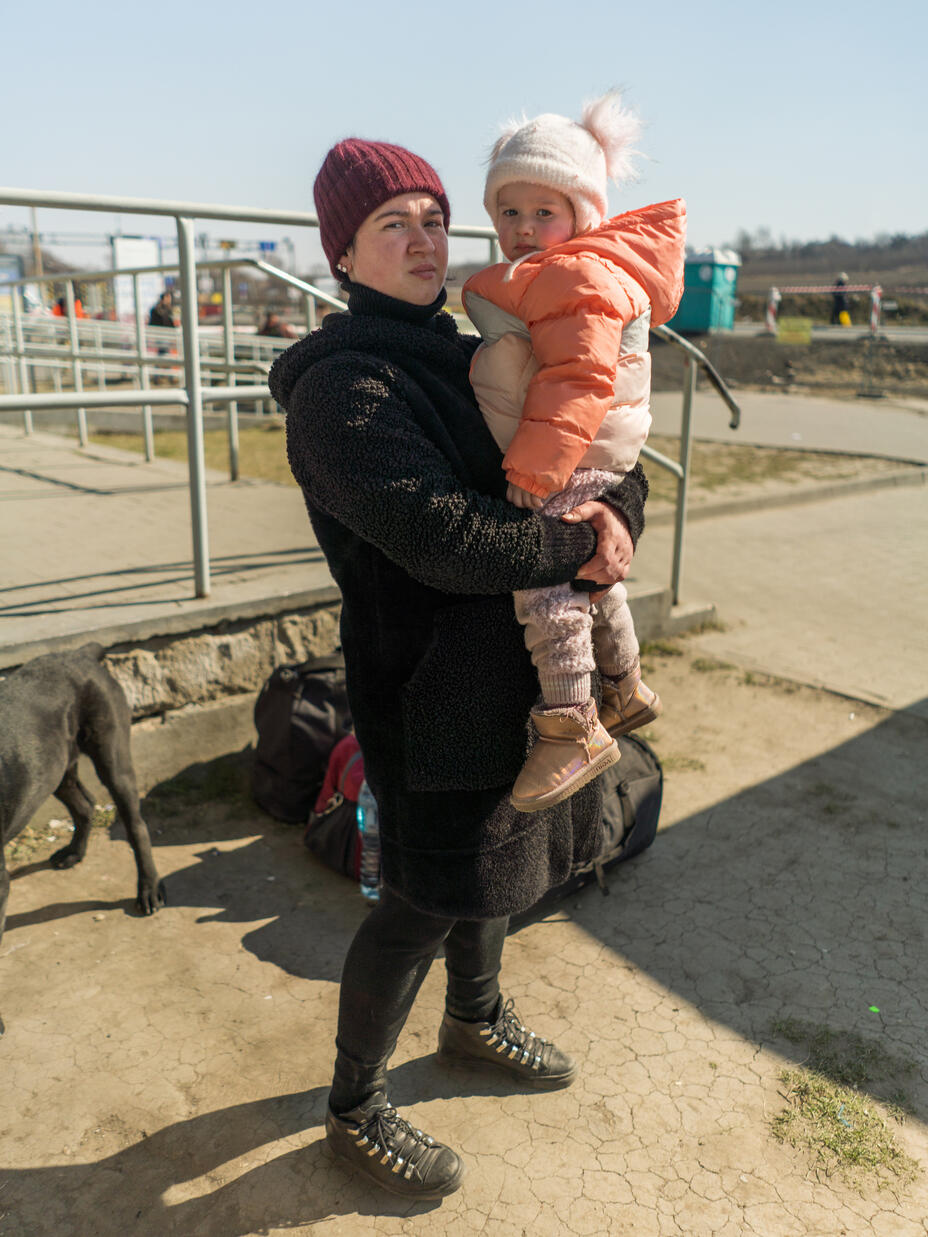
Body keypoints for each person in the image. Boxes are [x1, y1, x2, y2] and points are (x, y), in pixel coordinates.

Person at [268, 138, 649, 1200]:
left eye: (434, 215)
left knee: (502, 869)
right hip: (429, 687)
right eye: (393, 222)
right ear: (341, 251)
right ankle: (355, 1104)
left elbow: (590, 458)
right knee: (424, 900)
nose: (424, 237)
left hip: (518, 682)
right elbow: (442, 538)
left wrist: (618, 511)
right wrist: (579, 547)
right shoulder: (344, 388)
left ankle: (474, 1019)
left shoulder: (482, 338)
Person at [462, 93, 686, 813]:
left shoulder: (576, 276)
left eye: (543, 212)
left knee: (545, 583)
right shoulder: (571, 269)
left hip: (571, 452)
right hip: (592, 451)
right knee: (596, 582)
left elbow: (577, 377)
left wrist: (535, 469)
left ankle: (572, 724)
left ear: (582, 213)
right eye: (509, 212)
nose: (524, 229)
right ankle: (622, 688)